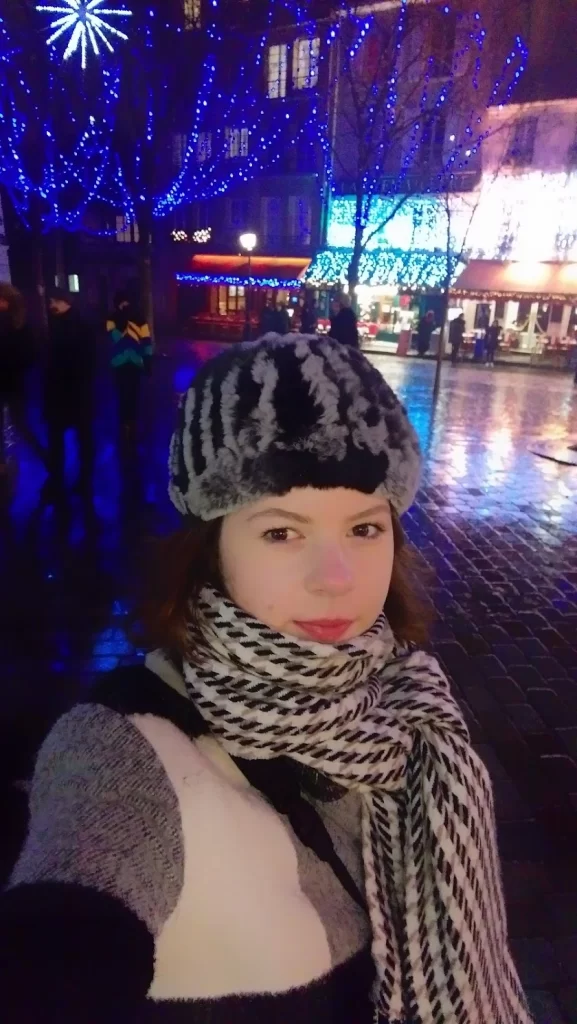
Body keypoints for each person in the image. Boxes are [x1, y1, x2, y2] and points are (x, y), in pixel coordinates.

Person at [0, 334, 531, 1024]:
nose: (335, 579)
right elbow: (62, 939)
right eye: (281, 532)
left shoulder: (405, 707)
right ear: (210, 548)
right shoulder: (123, 751)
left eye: (364, 530)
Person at [43, 288, 97, 499]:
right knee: (81, 437)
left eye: (54, 301)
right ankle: (80, 479)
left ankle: (59, 480)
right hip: (75, 394)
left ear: (66, 302)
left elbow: (73, 361)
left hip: (67, 393)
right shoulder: (75, 325)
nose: (51, 305)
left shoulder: (67, 327)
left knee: (61, 438)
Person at [0, 283, 44, 474]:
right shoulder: (19, 323)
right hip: (12, 380)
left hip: (12, 380)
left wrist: (12, 365)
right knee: (19, 423)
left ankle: (46, 458)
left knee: (21, 423)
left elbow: (30, 354)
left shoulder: (19, 324)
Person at [107, 291, 152, 438]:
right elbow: (114, 339)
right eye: (122, 303)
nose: (125, 306)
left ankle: (129, 421)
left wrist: (148, 359)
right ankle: (127, 421)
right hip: (124, 362)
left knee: (130, 393)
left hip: (130, 362)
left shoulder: (138, 319)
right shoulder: (112, 319)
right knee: (126, 393)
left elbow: (146, 340)